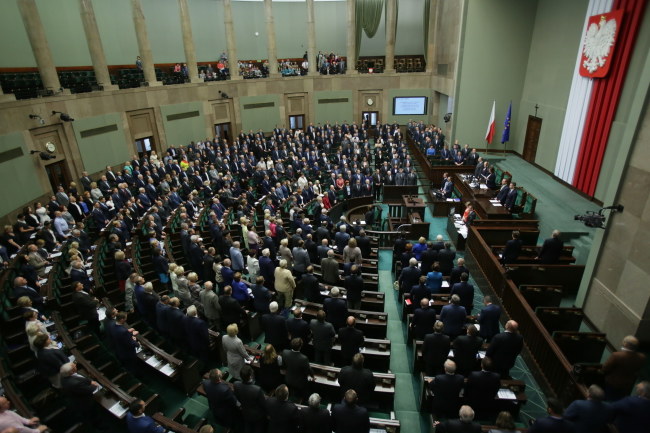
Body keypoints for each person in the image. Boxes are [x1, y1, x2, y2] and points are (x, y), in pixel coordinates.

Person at [602, 335, 646, 401]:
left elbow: (605, 368)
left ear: (625, 344)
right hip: (628, 384)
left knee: (610, 400)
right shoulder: (642, 357)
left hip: (613, 384)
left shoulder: (617, 355)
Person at [234, 365, 267, 433]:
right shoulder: (257, 389)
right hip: (257, 415)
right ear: (250, 376)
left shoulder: (236, 384)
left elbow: (237, 397)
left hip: (244, 411)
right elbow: (263, 404)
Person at [281, 338, 314, 403]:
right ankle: (304, 400)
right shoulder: (303, 358)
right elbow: (308, 370)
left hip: (288, 379)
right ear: (300, 347)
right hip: (300, 382)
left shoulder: (285, 352)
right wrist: (312, 376)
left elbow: (284, 365)